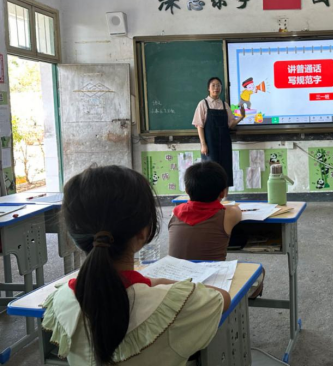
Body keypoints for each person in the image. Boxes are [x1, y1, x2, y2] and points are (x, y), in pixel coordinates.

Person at [42, 165, 230, 366]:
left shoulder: (60, 299)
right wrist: (155, 282)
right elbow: (221, 298)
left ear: (74, 234)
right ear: (143, 231)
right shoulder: (175, 304)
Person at [168, 161, 242, 261]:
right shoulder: (229, 214)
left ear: (186, 191)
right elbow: (236, 210)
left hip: (174, 271)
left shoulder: (175, 212)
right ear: (223, 193)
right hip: (212, 271)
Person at [193, 77, 245, 187]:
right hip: (210, 145)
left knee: (225, 172)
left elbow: (230, 124)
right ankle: (211, 197)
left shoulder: (224, 105)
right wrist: (203, 144)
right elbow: (199, 125)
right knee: (210, 172)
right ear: (208, 88)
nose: (216, 88)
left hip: (225, 144)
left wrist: (241, 117)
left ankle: (224, 196)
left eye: (218, 86)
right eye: (213, 85)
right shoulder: (203, 104)